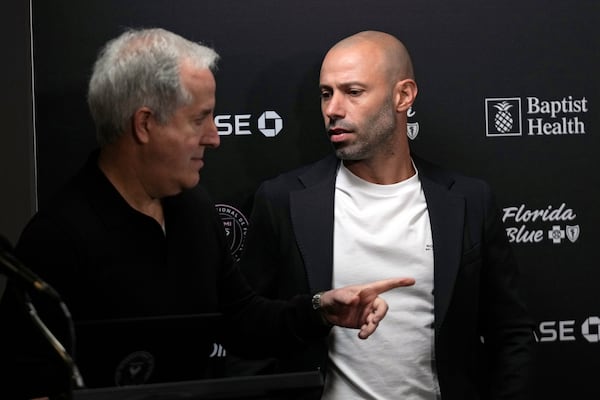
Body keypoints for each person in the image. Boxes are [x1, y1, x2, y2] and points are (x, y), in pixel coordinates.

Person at [11, 28, 415, 399]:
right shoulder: (58, 239)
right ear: (145, 125)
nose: (215, 137)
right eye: (200, 118)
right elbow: (28, 380)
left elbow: (242, 321)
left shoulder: (193, 210)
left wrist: (319, 310)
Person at [240, 30, 535, 400]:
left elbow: (511, 334)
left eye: (353, 92)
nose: (333, 109)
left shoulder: (468, 200)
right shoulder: (283, 200)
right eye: (326, 93)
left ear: (403, 95)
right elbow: (248, 333)